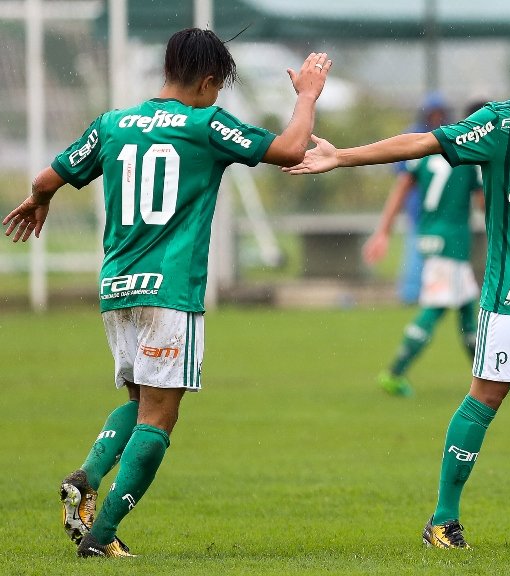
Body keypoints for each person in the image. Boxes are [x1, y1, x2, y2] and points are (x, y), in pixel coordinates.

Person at [3, 29, 331, 557]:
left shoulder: (113, 124)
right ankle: (101, 537)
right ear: (207, 82)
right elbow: (292, 149)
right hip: (170, 290)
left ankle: (86, 478)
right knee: (160, 416)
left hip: (117, 288)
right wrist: (308, 96)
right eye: (217, 87)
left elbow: (48, 177)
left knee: (139, 402)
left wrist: (39, 200)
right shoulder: (207, 124)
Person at [286, 28, 510, 548]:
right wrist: (342, 156)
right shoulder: (503, 123)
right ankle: (442, 521)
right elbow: (422, 143)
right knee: (488, 395)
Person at [363, 101, 484, 397]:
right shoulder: (472, 155)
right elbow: (483, 204)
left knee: (466, 307)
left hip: (428, 233)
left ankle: (489, 374)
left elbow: (402, 187)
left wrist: (383, 231)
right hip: (452, 240)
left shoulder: (429, 149)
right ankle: (394, 373)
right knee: (437, 306)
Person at [394, 93, 452, 305]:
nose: (437, 117)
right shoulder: (413, 135)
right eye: (432, 114)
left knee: (442, 256)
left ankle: (439, 294)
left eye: (440, 113)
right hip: (419, 208)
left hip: (444, 211)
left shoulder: (450, 135)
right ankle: (411, 294)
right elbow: (403, 176)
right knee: (415, 253)